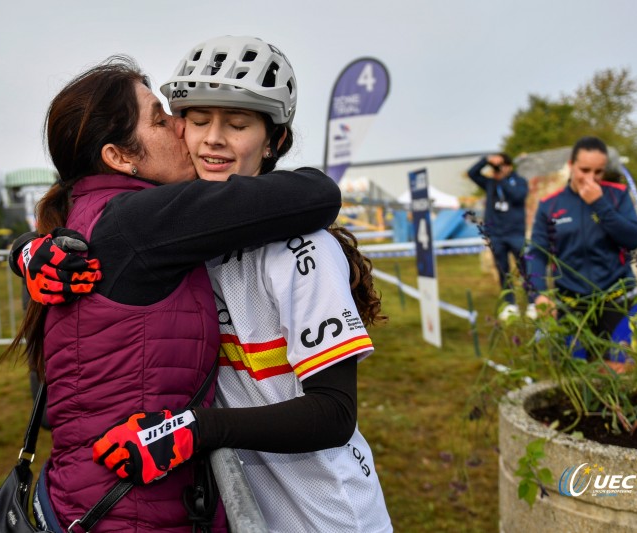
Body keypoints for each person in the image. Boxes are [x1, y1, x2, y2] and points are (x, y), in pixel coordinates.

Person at [26, 36, 392, 533]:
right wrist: (28, 249)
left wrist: (198, 428)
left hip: (323, 511)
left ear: (274, 142)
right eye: (194, 121)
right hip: (237, 504)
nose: (210, 139)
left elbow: (334, 412)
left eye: (237, 125)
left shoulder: (303, 251)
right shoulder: (187, 238)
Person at [525, 136, 637, 361]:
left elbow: (633, 239)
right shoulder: (550, 205)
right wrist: (539, 294)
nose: (590, 178)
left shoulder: (616, 195)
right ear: (570, 165)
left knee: (620, 373)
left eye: (598, 172)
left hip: (617, 300)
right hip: (572, 304)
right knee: (577, 377)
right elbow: (537, 253)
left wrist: (599, 204)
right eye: (584, 170)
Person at [466, 153, 531, 320]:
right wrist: (486, 160)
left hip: (516, 233)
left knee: (526, 268)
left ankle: (532, 301)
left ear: (509, 166)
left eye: (502, 165)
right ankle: (510, 304)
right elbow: (472, 173)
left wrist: (502, 178)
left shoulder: (519, 181)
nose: (498, 169)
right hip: (496, 234)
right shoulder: (490, 183)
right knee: (503, 270)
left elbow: (518, 197)